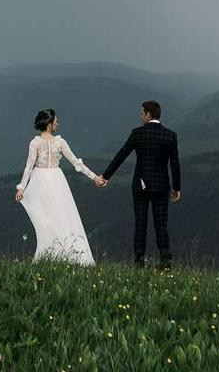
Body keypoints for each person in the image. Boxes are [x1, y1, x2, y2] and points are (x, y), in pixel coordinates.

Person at [97, 99, 181, 269]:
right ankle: (165, 261)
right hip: (161, 185)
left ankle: (139, 262)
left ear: (148, 114)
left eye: (142, 113)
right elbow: (175, 164)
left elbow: (121, 155)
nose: (141, 116)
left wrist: (106, 176)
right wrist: (176, 187)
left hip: (140, 185)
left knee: (140, 223)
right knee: (161, 224)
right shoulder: (170, 135)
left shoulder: (138, 134)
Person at [14, 108, 100, 265]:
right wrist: (94, 177)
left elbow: (29, 167)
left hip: (41, 181)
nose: (57, 124)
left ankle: (54, 254)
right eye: (55, 121)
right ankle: (56, 253)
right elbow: (76, 163)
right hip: (56, 181)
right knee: (60, 216)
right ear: (49, 124)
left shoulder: (36, 143)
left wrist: (22, 188)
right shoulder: (59, 142)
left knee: (51, 218)